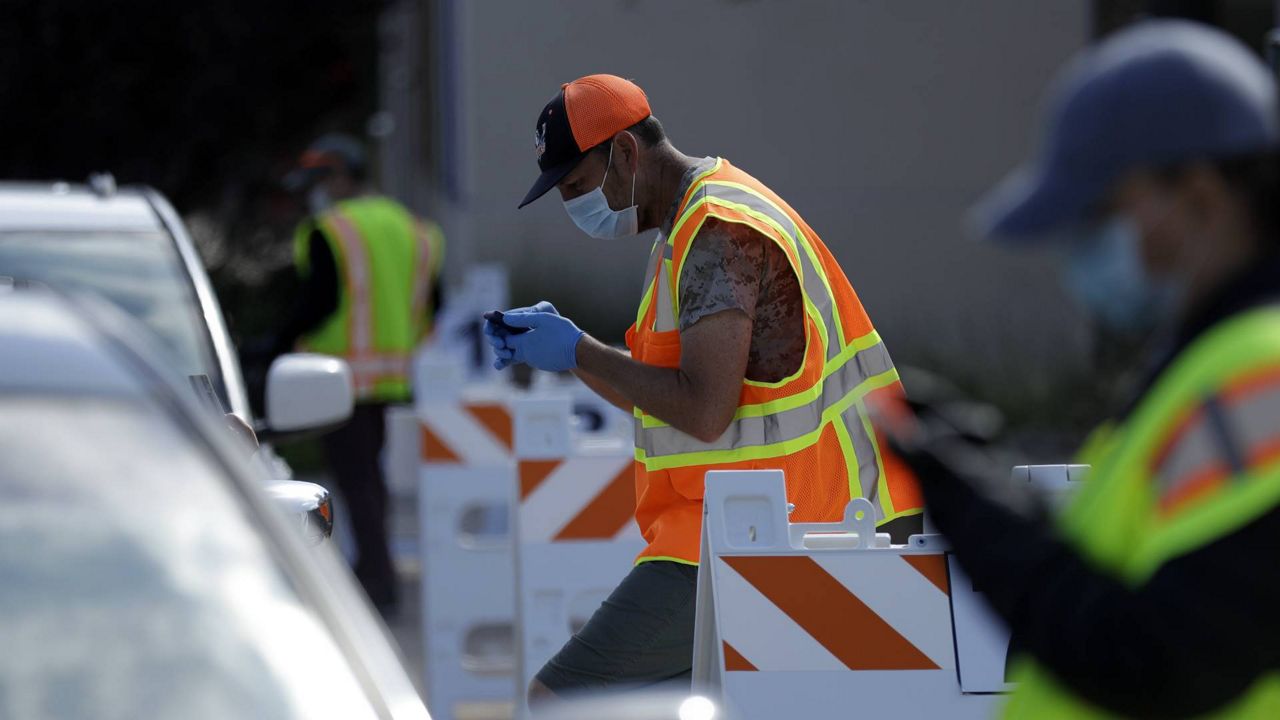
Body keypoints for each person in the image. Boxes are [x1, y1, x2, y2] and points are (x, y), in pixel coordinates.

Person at [885, 20, 1280, 718]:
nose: (1079, 250)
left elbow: (1158, 659)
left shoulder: (1258, 372)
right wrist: (985, 488)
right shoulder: (1214, 359)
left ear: (1200, 196)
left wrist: (971, 511)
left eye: (1099, 214)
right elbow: (1128, 581)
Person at [486, 74, 922, 702]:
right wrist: (574, 358)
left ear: (628, 154)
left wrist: (579, 349)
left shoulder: (718, 231)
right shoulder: (692, 225)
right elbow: (666, 398)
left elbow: (703, 409)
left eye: (579, 187)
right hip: (771, 527)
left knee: (561, 702)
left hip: (784, 530)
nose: (575, 208)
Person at [275, 133, 445, 612]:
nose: (317, 191)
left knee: (356, 481)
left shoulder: (332, 229)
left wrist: (273, 343)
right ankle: (377, 573)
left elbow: (318, 303)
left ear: (342, 175)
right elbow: (434, 304)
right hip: (391, 375)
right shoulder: (416, 229)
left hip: (337, 378)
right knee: (369, 478)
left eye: (320, 179)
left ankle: (376, 581)